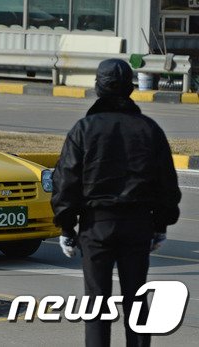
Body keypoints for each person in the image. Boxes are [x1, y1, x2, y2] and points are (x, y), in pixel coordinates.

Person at [51, 59, 181, 347]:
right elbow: (166, 184)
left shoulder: (84, 129)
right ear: (131, 89)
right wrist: (160, 224)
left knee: (97, 302)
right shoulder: (149, 129)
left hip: (96, 225)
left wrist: (66, 228)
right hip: (138, 223)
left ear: (98, 87)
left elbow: (67, 181)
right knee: (136, 300)